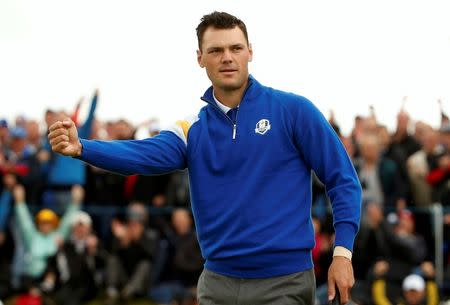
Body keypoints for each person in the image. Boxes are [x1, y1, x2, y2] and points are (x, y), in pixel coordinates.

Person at [48, 11, 361, 305]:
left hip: (285, 281)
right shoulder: (192, 129)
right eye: (215, 50)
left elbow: (343, 180)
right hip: (216, 282)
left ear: (250, 52)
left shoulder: (293, 111)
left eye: (236, 48)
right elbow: (142, 154)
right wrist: (83, 148)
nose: (227, 57)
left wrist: (342, 253)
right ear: (200, 58)